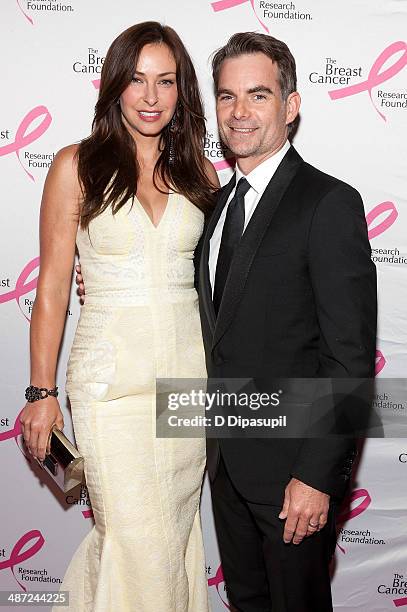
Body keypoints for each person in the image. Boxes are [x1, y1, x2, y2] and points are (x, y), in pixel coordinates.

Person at [20, 21, 218, 612]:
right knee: (136, 539)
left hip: (187, 384)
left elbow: (217, 286)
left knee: (174, 536)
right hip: (110, 387)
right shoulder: (75, 166)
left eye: (166, 81)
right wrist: (40, 389)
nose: (151, 97)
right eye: (137, 80)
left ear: (183, 91)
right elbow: (53, 286)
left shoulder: (202, 175)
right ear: (113, 86)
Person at [197, 33, 377, 611]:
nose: (240, 112)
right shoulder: (214, 207)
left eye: (258, 95)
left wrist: (318, 474)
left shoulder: (328, 203)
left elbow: (348, 357)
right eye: (227, 97)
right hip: (225, 465)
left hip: (294, 476)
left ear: (291, 105)